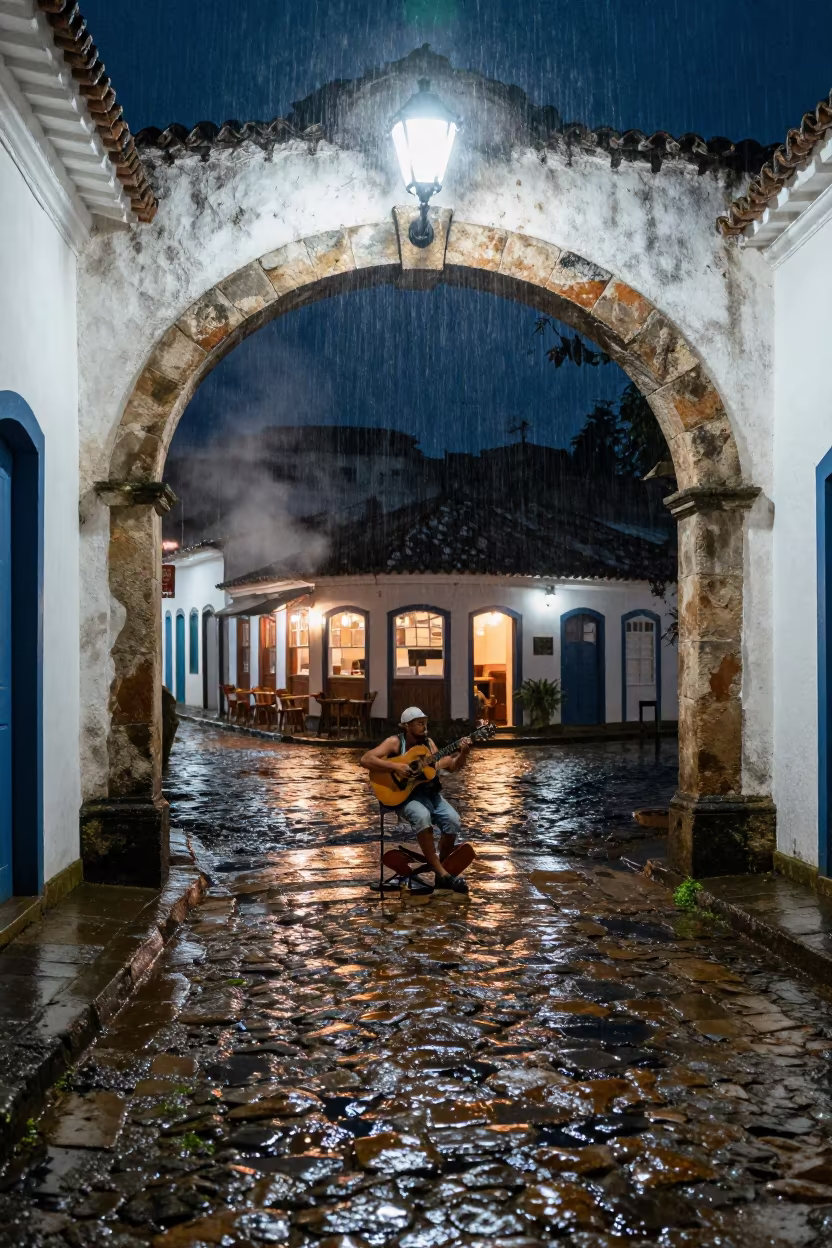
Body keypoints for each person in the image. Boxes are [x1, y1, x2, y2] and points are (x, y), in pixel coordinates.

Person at [360, 706, 472, 893]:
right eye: (419, 724)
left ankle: (439, 872)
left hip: (431, 794)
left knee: (453, 820)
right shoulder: (395, 742)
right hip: (405, 797)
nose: (424, 727)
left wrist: (463, 754)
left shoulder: (429, 745)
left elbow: (451, 766)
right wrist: (394, 767)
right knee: (421, 816)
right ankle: (443, 873)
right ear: (407, 726)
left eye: (425, 723)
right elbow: (365, 759)